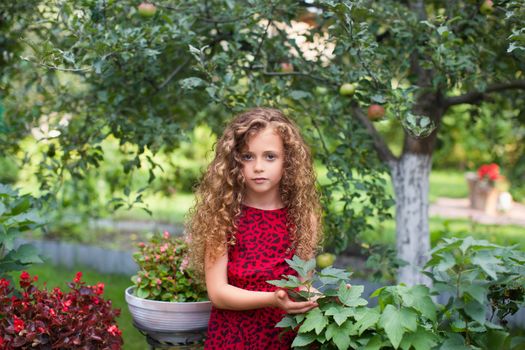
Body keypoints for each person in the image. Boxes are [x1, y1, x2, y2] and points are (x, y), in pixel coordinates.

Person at [186, 107, 323, 349]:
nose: (258, 166)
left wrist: (324, 298)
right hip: (234, 336)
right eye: (248, 157)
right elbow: (218, 293)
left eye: (270, 156)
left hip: (286, 337)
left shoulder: (303, 218)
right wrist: (273, 299)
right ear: (234, 161)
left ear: (287, 161)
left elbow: (303, 285)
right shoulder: (223, 216)